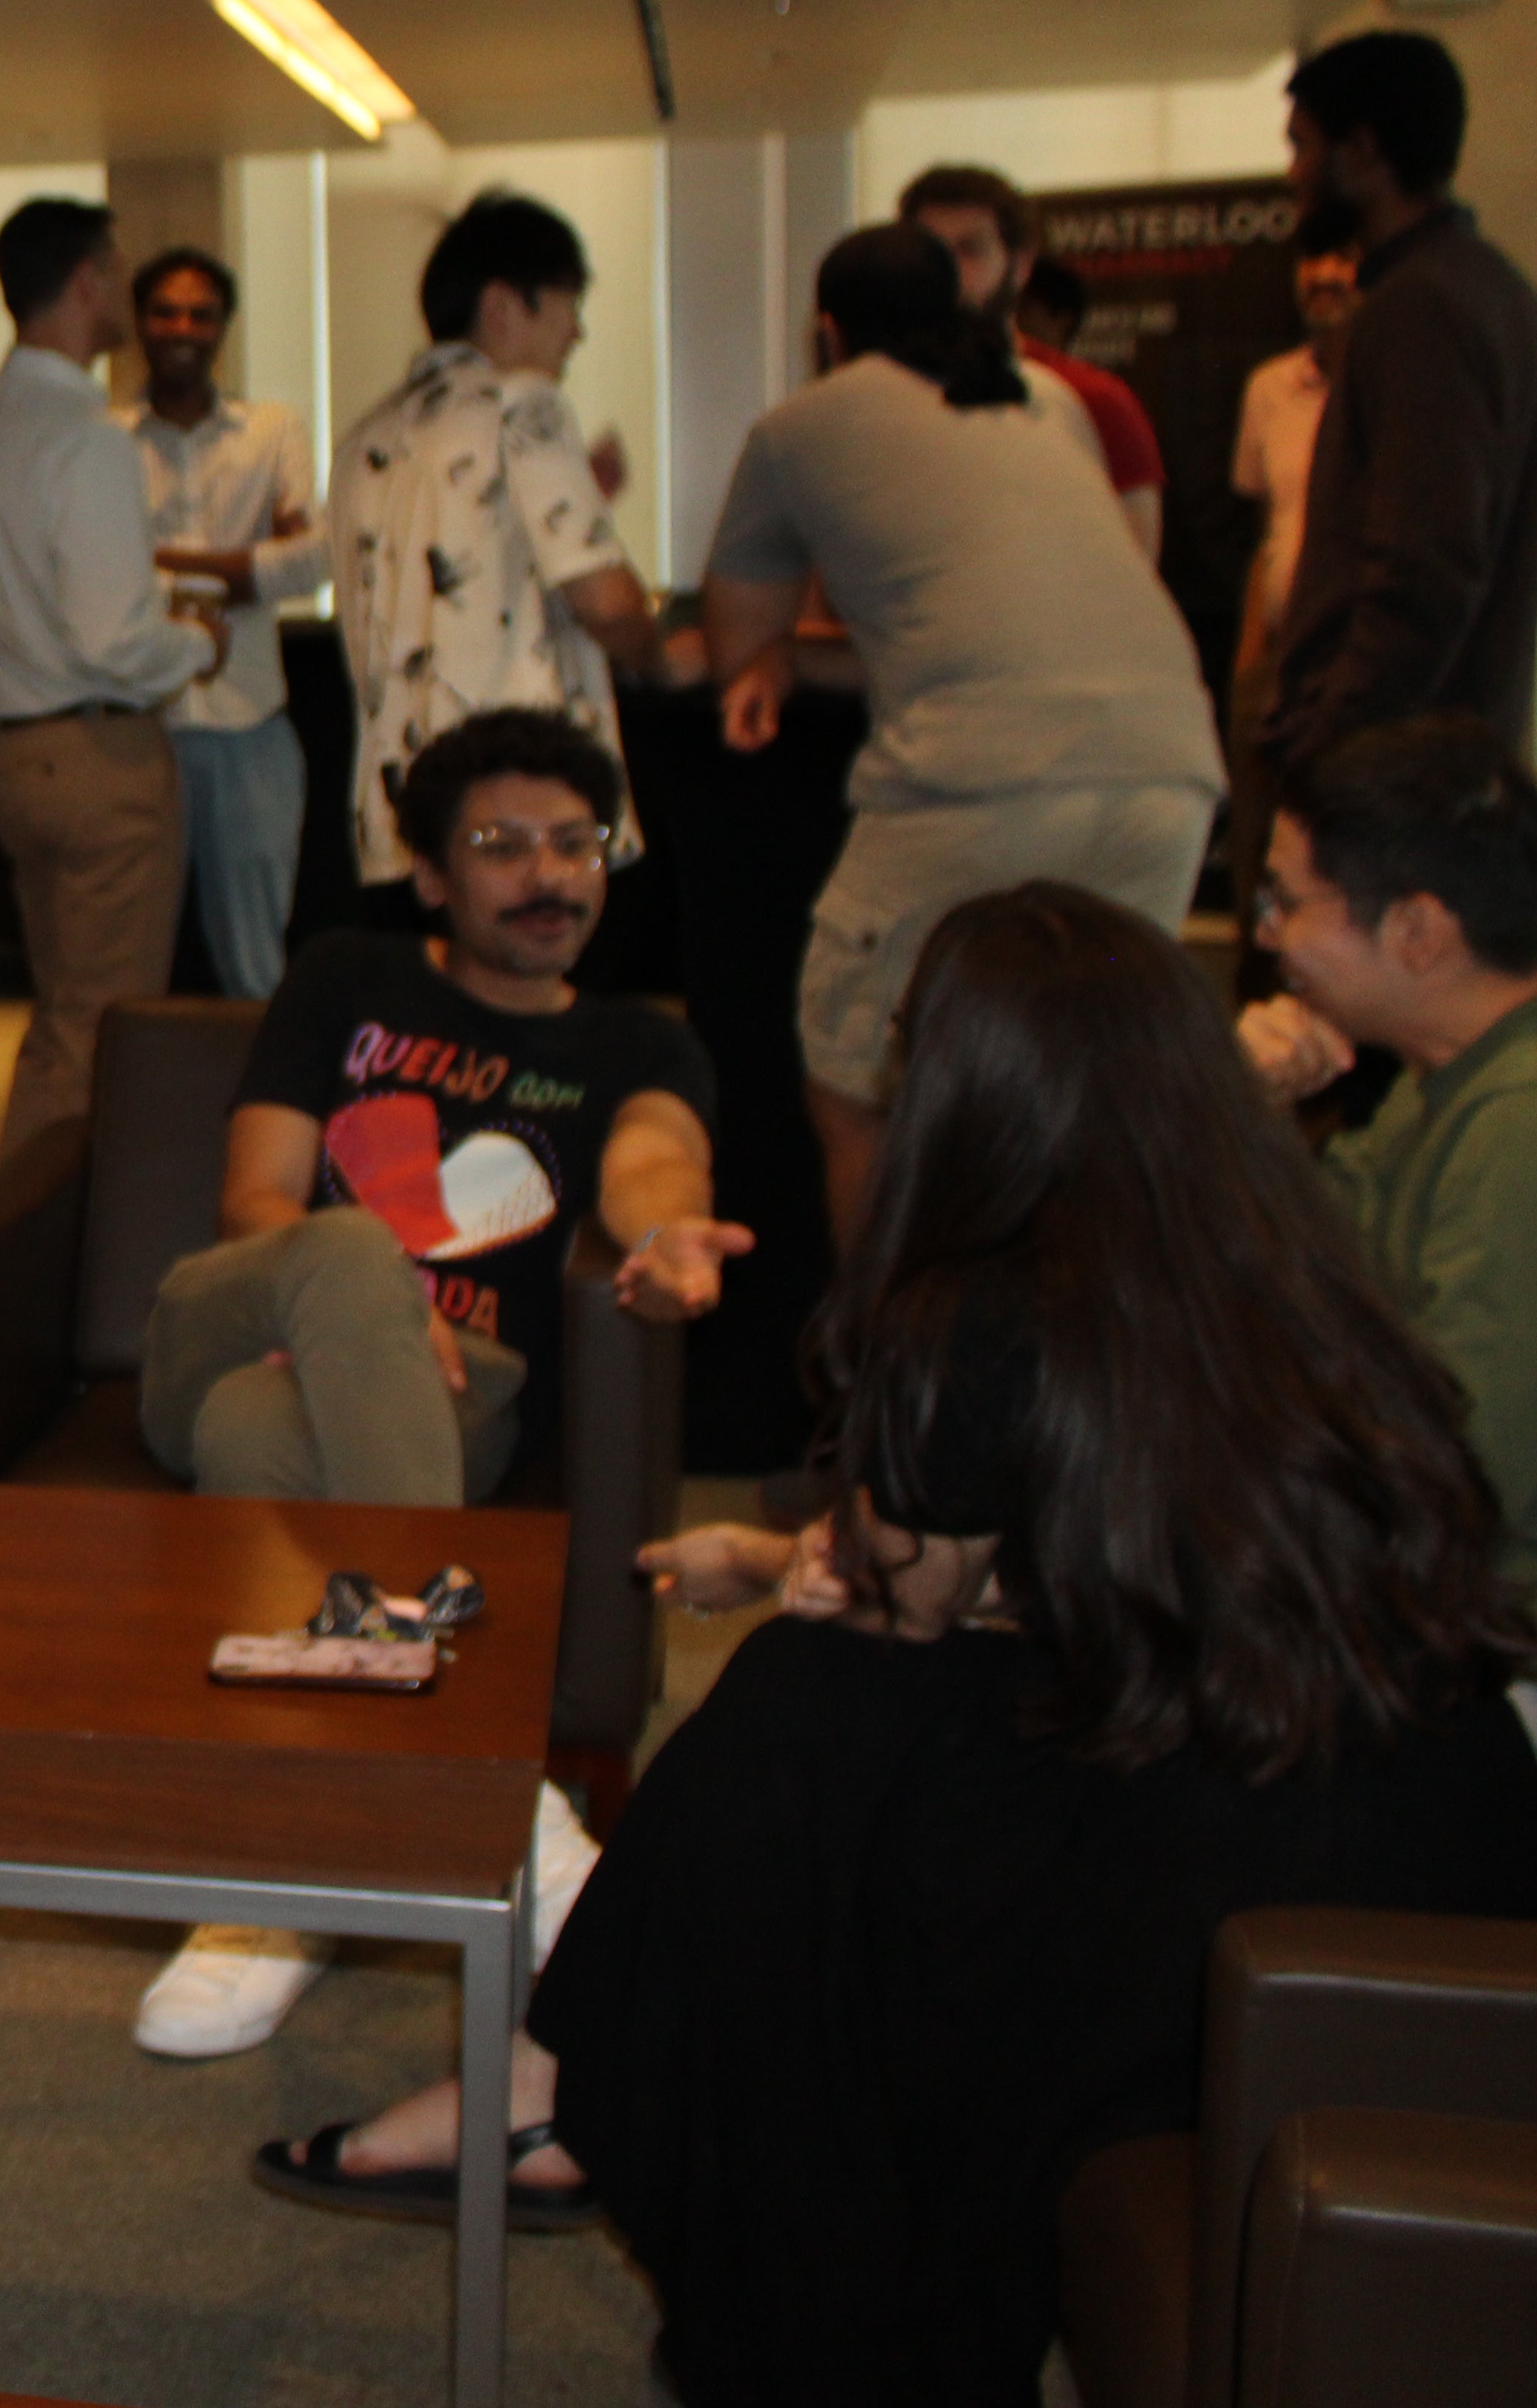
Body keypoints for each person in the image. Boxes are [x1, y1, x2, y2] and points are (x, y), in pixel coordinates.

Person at [261, 885, 1537, 2402]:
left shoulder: (979, 1303)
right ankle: (554, 2094)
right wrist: (806, 1562)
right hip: (1427, 1820)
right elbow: (1140, 1557)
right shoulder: (1281, 1255)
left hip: (1225, 1858)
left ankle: (622, 2141)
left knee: (799, 1747)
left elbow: (918, 1594)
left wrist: (817, 1571)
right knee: (822, 1725)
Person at [126, 706, 738, 2058]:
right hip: (239, 1313)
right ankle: (493, 1794)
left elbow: (649, 1163)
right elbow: (257, 1198)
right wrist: (366, 1295)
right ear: (432, 875)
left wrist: (666, 1226)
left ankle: (289, 1885)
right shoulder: (348, 974)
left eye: (576, 845)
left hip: (447, 1392)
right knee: (341, 1254)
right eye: (503, 845)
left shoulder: (643, 1046)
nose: (549, 877)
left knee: (259, 1438)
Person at [703, 223, 1223, 1238]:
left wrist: (776, 659)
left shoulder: (802, 426)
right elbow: (990, 622)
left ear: (827, 330)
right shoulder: (1055, 397)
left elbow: (737, 644)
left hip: (978, 786)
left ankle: (890, 1375)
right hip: (1170, 778)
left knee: (861, 1087)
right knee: (1090, 1094)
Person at [0, 197, 223, 1146]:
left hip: (5, 759)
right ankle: (53, 1252)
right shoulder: (84, 436)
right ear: (88, 284)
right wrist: (202, 640)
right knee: (107, 1034)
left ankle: (16, 1239)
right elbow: (115, 640)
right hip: (97, 761)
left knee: (63, 1019)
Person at [1239, 714, 1537, 1580]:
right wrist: (1244, 1115)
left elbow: (1461, 1477)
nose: (1265, 935)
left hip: (1492, 1641)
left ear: (1419, 930)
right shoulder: (1432, 1079)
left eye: (1286, 904)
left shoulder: (1517, 1124)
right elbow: (1292, 1295)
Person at [328, 191, 663, 920]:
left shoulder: (369, 433)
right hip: (521, 811)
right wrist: (664, 652)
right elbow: (604, 600)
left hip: (403, 809)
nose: (578, 330)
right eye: (568, 303)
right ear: (505, 306)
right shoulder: (524, 403)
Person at [1262, 27, 1537, 779]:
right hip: (1438, 751)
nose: (1295, 176)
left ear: (1365, 151)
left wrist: (1331, 742)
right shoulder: (1489, 287)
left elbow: (1424, 565)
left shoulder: (1420, 307)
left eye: (1305, 147)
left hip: (1398, 772)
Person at [125, 245, 324, 997]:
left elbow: (307, 563)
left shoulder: (270, 430)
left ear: (224, 326)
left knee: (256, 967)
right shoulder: (105, 439)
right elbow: (102, 584)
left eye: (201, 313)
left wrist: (157, 562)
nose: (183, 326)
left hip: (252, 724)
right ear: (140, 322)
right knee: (132, 965)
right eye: (166, 310)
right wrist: (245, 566)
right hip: (143, 731)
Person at [897, 163, 1167, 562]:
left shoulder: (1094, 398)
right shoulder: (883, 398)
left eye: (970, 249)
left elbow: (1134, 571)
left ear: (1021, 266)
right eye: (932, 252)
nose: (949, 270)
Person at [1224, 217, 1368, 906]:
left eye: (1343, 257)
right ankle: (1258, 1000)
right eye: (1312, 261)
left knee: (1341, 857)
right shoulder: (1269, 388)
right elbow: (1268, 533)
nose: (1324, 277)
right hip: (1278, 655)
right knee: (1258, 847)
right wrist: (1250, 663)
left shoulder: (1402, 384)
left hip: (1360, 660)